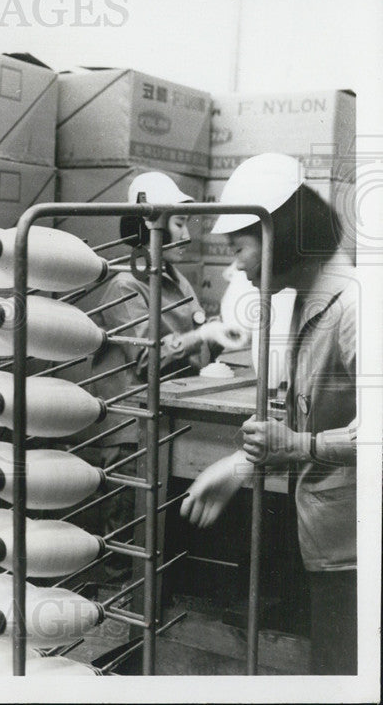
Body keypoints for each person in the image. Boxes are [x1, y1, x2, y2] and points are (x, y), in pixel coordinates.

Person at [179, 152, 356, 675]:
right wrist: (239, 466)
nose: (234, 264)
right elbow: (304, 416)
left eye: (239, 247)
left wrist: (296, 447)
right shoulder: (307, 300)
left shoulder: (355, 309)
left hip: (358, 551)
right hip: (329, 539)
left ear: (282, 232)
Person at [81, 172, 244, 582]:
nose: (185, 233)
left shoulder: (176, 281)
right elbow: (145, 360)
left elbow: (193, 348)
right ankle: (120, 619)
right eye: (178, 222)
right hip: (130, 430)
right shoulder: (123, 285)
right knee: (129, 536)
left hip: (165, 420)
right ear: (147, 225)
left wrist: (221, 337)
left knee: (160, 535)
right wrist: (201, 335)